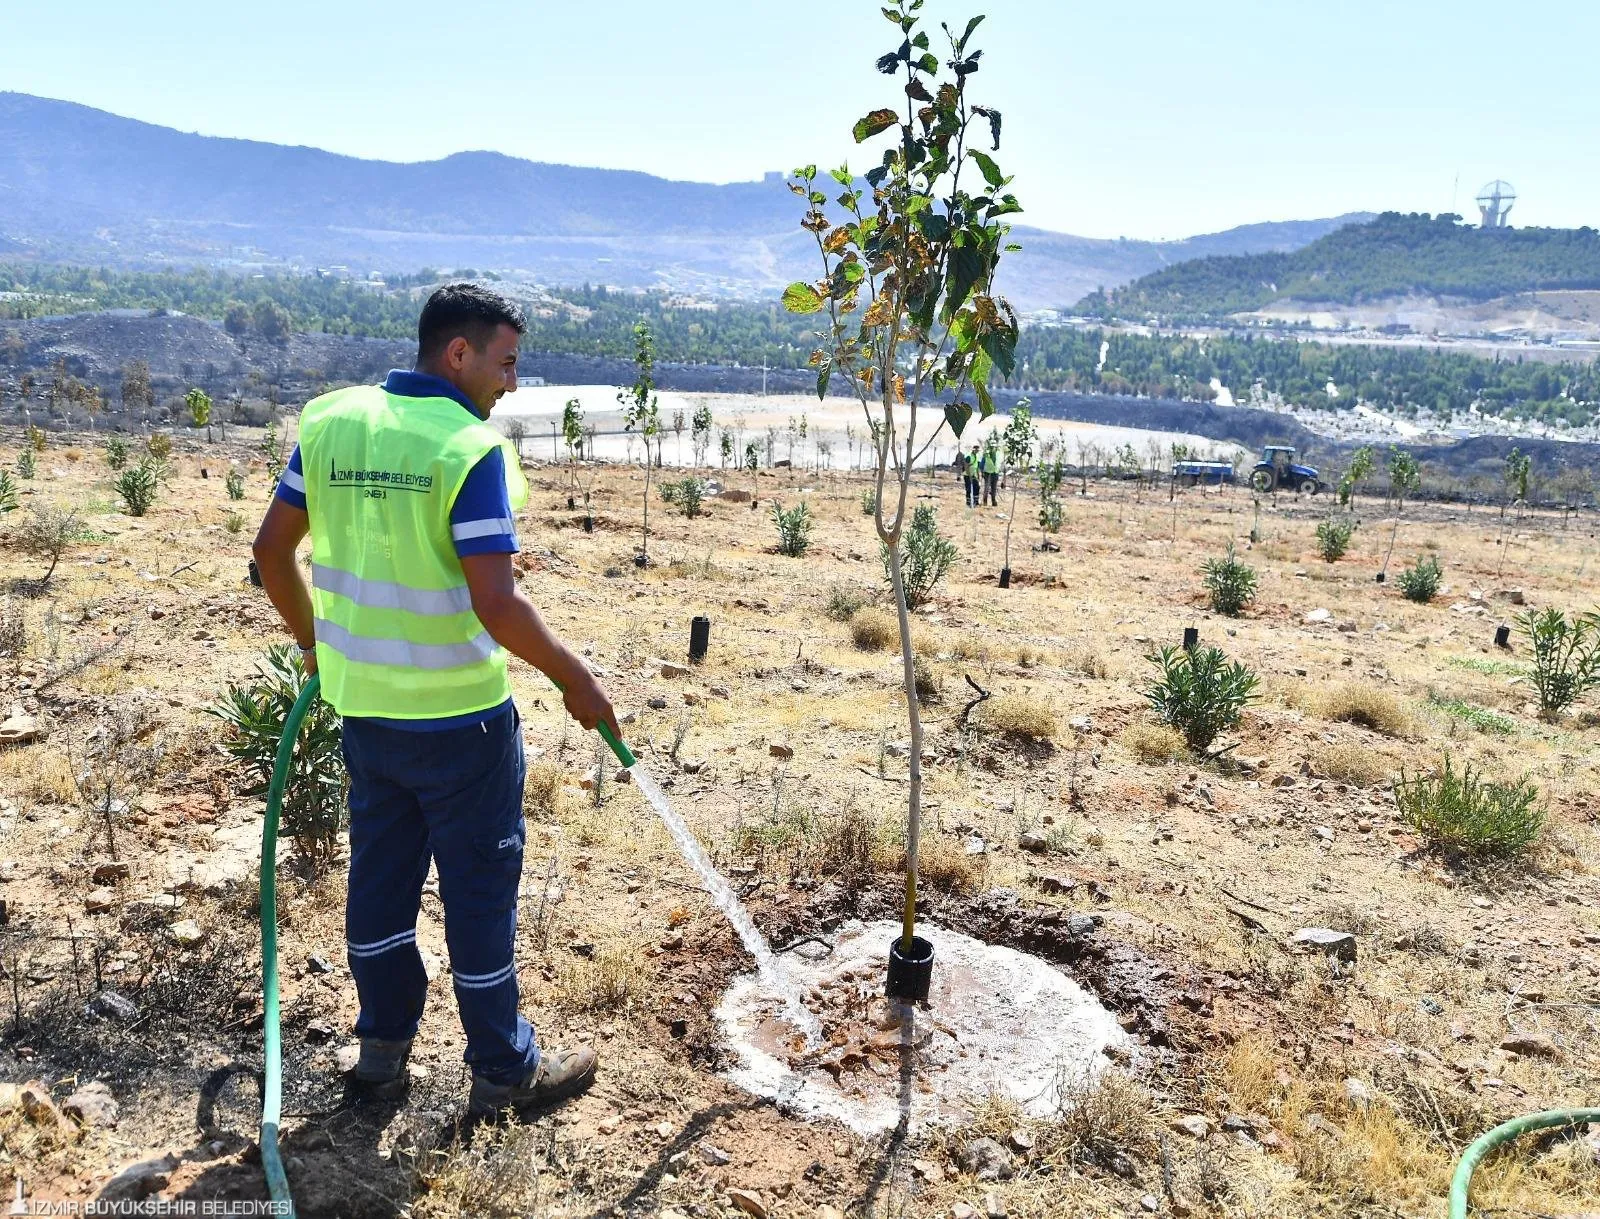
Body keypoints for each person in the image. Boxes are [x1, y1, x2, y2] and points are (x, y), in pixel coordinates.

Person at [252, 282, 617, 1121]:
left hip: (367, 717)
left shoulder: (330, 422)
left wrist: (318, 646)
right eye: (507, 360)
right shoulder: (466, 447)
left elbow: (274, 553)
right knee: (479, 894)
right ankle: (502, 1073)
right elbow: (498, 603)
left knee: (379, 884)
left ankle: (381, 1052)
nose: (514, 383)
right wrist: (573, 675)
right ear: (460, 353)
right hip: (463, 728)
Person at [982, 436, 1000, 507]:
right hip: (988, 473)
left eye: (994, 447)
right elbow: (982, 463)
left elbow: (998, 463)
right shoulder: (986, 454)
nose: (993, 448)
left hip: (995, 473)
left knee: (994, 488)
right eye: (992, 447)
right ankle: (985, 501)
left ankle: (993, 501)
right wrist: (982, 472)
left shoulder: (997, 453)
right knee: (986, 488)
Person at [964, 443, 982, 508]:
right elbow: (966, 467)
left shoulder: (977, 457)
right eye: (976, 450)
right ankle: (968, 503)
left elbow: (976, 467)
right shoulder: (968, 456)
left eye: (978, 450)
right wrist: (969, 476)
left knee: (977, 487)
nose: (977, 451)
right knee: (968, 489)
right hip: (967, 475)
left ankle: (976, 502)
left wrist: (978, 476)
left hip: (974, 475)